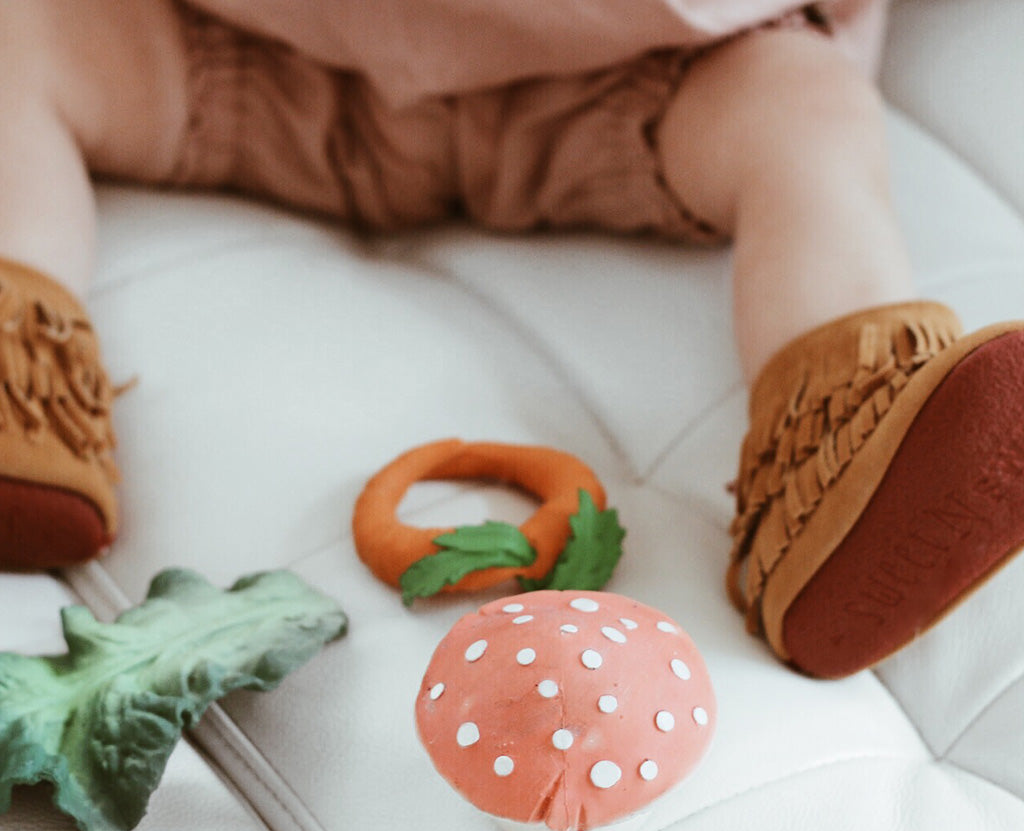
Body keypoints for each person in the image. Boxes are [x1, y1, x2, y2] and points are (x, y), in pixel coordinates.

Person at [1, 0, 1021, 676]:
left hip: (642, 77)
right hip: (252, 47)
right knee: (27, 34)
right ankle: (18, 372)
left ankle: (843, 441)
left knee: (808, 114)